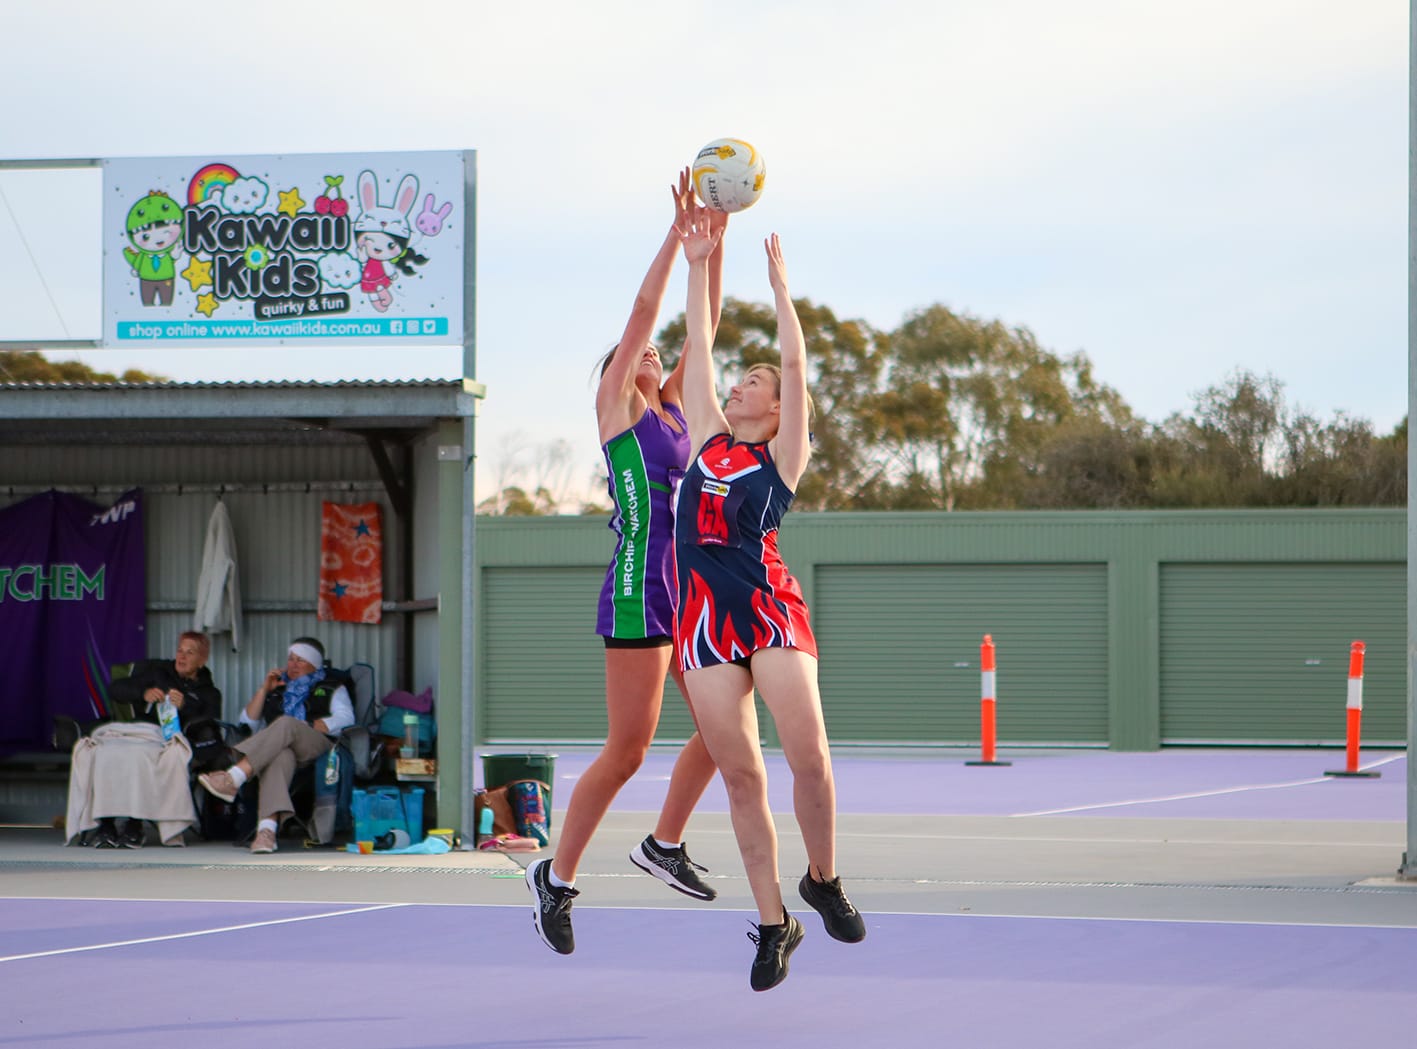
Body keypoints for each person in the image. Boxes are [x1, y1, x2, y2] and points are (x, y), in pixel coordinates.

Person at [526, 170, 723, 956]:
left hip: (691, 589)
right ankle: (556, 875)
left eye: (654, 351)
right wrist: (674, 239)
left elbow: (701, 327)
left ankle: (663, 843)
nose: (652, 348)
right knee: (628, 750)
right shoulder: (617, 407)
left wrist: (712, 245)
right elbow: (644, 311)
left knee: (725, 730)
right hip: (640, 589)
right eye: (639, 349)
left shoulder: (674, 408)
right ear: (619, 364)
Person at [670, 211, 866, 991]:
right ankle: (773, 922)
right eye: (739, 378)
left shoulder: (782, 454)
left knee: (808, 756)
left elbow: (793, 361)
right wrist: (696, 263)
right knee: (742, 777)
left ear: (779, 408)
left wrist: (782, 292)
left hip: (769, 610)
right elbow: (697, 343)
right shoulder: (706, 438)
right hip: (703, 625)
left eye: (754, 381)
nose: (739, 382)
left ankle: (822, 878)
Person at [196, 636, 353, 854]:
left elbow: (347, 718)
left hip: (317, 745)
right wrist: (264, 690)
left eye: (300, 660)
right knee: (281, 756)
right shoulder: (278, 689)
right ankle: (266, 833)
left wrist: (314, 724)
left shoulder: (331, 686)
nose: (293, 665)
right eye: (290, 659)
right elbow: (247, 723)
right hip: (281, 749)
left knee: (286, 723)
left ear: (314, 664)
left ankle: (234, 777)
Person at [64, 631, 221, 848]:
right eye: (180, 650)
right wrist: (143, 693)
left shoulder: (209, 691)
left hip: (164, 739)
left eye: (190, 652)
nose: (182, 657)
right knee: (102, 752)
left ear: (202, 660)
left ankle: (134, 825)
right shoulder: (159, 673)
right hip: (134, 732)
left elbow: (211, 720)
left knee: (139, 756)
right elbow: (116, 689)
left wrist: (186, 705)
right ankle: (106, 824)